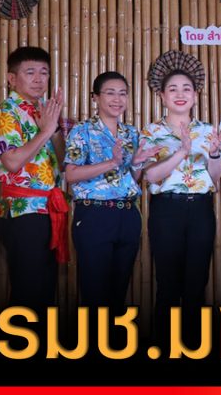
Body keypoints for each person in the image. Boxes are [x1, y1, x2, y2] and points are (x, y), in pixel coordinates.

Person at [140, 67, 221, 345]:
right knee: (168, 283)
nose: (180, 94)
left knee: (197, 282)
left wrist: (214, 154)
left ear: (195, 96)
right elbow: (150, 175)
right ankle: (165, 345)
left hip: (201, 209)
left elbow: (215, 177)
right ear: (162, 96)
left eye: (186, 88)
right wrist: (182, 152)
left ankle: (194, 346)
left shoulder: (208, 130)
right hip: (167, 210)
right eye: (173, 89)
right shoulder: (152, 131)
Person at [64, 72, 157, 312]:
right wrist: (112, 163)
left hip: (127, 215)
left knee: (118, 294)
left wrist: (136, 162)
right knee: (95, 294)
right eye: (110, 93)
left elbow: (132, 178)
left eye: (122, 94)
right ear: (95, 97)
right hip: (94, 215)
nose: (117, 99)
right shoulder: (82, 131)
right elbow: (71, 174)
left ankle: (114, 337)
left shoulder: (131, 133)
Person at [0, 46, 66, 313]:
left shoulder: (43, 110)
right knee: (28, 290)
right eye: (30, 72)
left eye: (44, 72)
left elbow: (62, 162)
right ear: (12, 78)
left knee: (45, 289)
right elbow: (11, 162)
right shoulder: (6, 111)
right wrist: (45, 131)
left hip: (47, 208)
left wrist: (55, 129)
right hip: (22, 211)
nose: (39, 79)